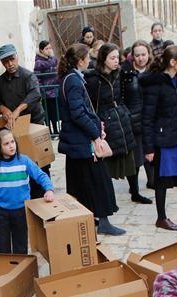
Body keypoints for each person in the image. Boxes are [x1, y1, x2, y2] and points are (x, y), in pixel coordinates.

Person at [56, 43, 124, 236]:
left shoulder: (69, 79)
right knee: (98, 181)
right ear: (81, 60)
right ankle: (103, 221)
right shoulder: (73, 81)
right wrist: (95, 134)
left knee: (81, 183)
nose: (90, 61)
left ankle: (88, 217)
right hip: (82, 142)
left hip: (74, 143)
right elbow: (78, 113)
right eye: (88, 58)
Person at [140, 45, 177, 231]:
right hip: (163, 140)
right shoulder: (155, 85)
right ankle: (161, 218)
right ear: (173, 63)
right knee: (161, 181)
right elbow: (147, 118)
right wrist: (148, 149)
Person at [0, 43, 50, 199]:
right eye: (5, 61)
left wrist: (17, 111)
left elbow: (35, 94)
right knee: (21, 163)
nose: (10, 64)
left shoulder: (28, 76)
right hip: (15, 130)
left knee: (39, 164)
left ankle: (45, 194)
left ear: (17, 57)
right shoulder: (1, 81)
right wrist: (5, 111)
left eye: (12, 59)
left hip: (34, 125)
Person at [0, 128, 55, 254]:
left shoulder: (24, 161)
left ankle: (21, 270)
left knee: (20, 245)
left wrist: (49, 189)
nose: (11, 146)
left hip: (21, 211)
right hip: (1, 213)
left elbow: (41, 176)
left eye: (12, 142)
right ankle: (6, 271)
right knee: (3, 247)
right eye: (6, 144)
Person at [85, 44, 137, 192]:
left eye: (117, 58)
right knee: (107, 158)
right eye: (112, 58)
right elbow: (91, 104)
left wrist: (124, 111)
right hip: (105, 121)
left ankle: (135, 191)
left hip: (121, 117)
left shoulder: (118, 74)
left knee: (129, 156)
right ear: (103, 59)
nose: (116, 61)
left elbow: (121, 96)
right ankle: (106, 194)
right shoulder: (94, 79)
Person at [122, 40, 155, 194]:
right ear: (132, 57)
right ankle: (134, 188)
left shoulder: (154, 71)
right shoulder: (126, 73)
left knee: (152, 152)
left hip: (151, 119)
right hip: (133, 119)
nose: (141, 58)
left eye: (143, 54)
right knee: (135, 157)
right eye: (137, 55)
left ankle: (152, 181)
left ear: (148, 54)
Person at [33, 40, 59, 135]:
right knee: (47, 113)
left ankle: (56, 130)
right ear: (41, 50)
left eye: (50, 48)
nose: (49, 50)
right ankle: (49, 131)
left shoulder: (51, 58)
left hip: (54, 90)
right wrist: (40, 90)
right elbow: (37, 77)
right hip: (45, 91)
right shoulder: (39, 62)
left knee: (54, 112)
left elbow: (55, 64)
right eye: (46, 48)